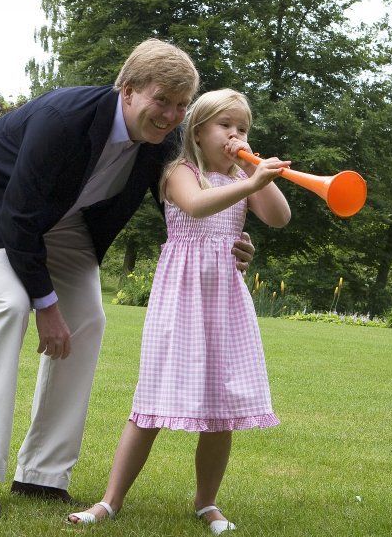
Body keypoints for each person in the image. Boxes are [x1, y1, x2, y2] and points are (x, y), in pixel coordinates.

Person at [0, 40, 257, 516]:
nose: (170, 115)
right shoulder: (64, 117)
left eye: (181, 105)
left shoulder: (160, 143)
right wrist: (45, 305)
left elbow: (183, 205)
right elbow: (20, 215)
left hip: (64, 220)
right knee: (8, 306)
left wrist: (231, 241)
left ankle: (42, 476)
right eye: (160, 100)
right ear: (127, 91)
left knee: (87, 319)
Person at [65, 89, 291, 534]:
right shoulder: (179, 172)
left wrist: (252, 172)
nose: (235, 135)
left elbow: (279, 217)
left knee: (221, 407)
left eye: (242, 128)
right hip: (180, 302)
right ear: (199, 131)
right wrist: (251, 182)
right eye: (225, 126)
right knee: (149, 405)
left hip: (225, 304)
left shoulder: (243, 178)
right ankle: (111, 500)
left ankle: (206, 502)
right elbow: (197, 205)